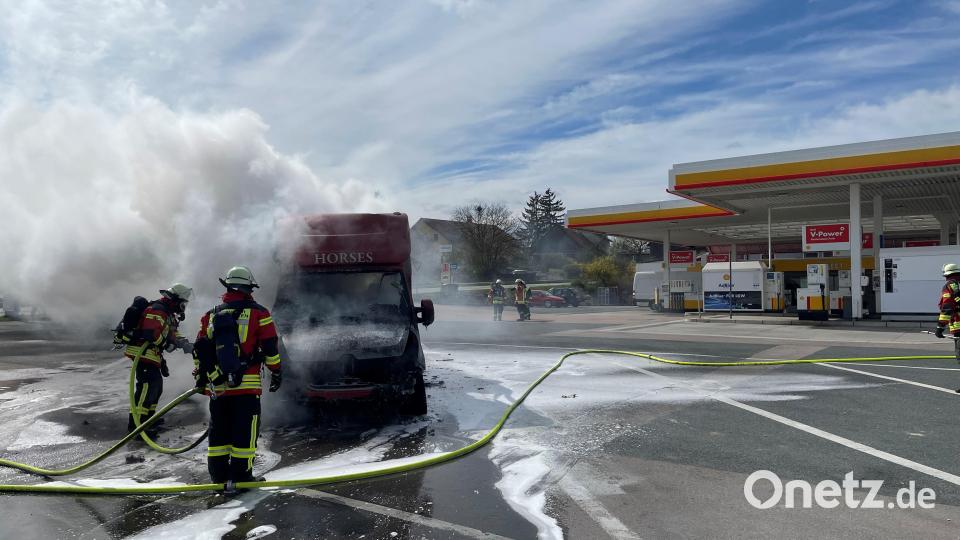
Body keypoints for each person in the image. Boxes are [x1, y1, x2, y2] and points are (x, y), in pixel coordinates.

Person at [196, 266, 282, 491]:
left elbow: (200, 350)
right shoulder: (259, 313)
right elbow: (270, 347)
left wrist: (206, 379)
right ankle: (242, 479)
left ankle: (218, 478)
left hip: (219, 388)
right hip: (247, 388)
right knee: (245, 433)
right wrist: (276, 371)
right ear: (249, 288)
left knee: (219, 434)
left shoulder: (210, 315)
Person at [124, 283, 193, 435]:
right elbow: (151, 334)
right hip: (143, 353)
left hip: (151, 354)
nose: (184, 305)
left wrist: (185, 344)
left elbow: (172, 333)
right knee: (147, 388)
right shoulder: (158, 310)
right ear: (176, 299)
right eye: (183, 301)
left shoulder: (167, 313)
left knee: (156, 386)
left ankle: (148, 420)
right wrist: (167, 344)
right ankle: (137, 425)